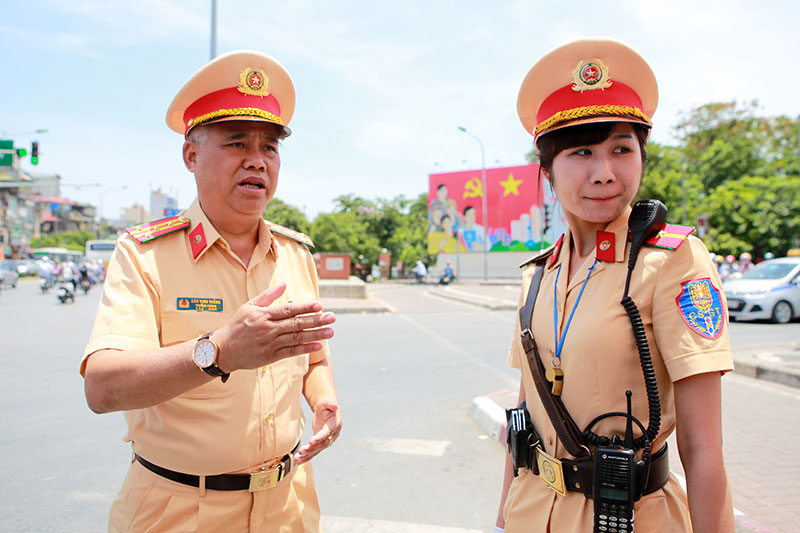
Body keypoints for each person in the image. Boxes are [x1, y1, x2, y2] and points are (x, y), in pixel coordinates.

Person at [81, 51, 342, 532]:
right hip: (179, 510)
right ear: (191, 155)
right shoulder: (144, 255)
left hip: (287, 507)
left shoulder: (296, 254)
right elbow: (102, 387)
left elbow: (314, 359)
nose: (257, 161)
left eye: (270, 147)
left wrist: (324, 398)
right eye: (237, 142)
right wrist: (218, 351)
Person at [496, 38, 734, 532]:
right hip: (531, 512)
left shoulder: (671, 261)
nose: (604, 173)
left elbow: (703, 447)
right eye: (582, 152)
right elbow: (523, 417)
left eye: (621, 150)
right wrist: (501, 520)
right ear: (547, 172)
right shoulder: (537, 275)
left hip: (629, 518)